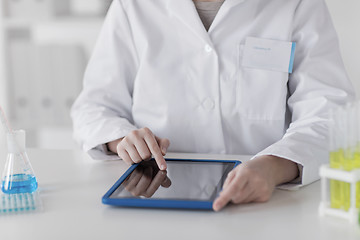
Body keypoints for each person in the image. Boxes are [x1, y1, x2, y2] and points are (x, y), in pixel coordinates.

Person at [71, 0, 355, 211]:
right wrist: (122, 138)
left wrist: (273, 167)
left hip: (266, 204)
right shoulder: (133, 6)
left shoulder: (297, 4)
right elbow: (94, 107)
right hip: (155, 199)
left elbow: (330, 112)